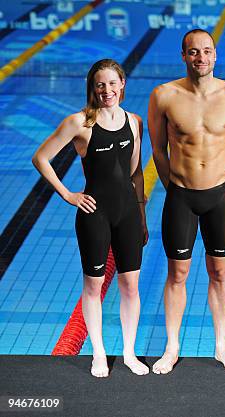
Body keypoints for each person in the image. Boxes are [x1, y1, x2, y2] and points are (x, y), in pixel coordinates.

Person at [32, 59, 149, 378]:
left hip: (127, 212)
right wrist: (67, 194)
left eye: (112, 83)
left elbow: (135, 173)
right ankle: (98, 352)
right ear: (92, 88)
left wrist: (141, 216)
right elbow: (41, 157)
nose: (107, 90)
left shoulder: (135, 122)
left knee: (130, 284)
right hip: (94, 214)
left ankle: (128, 352)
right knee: (94, 284)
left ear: (122, 84)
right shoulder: (79, 123)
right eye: (100, 85)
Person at [148, 29, 225, 374]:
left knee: (219, 273)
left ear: (215, 55)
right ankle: (172, 346)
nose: (200, 58)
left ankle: (222, 345)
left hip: (219, 197)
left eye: (206, 51)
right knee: (177, 274)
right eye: (193, 52)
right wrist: (175, 185)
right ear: (183, 56)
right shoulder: (164, 95)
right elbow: (158, 150)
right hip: (180, 197)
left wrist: (218, 182)